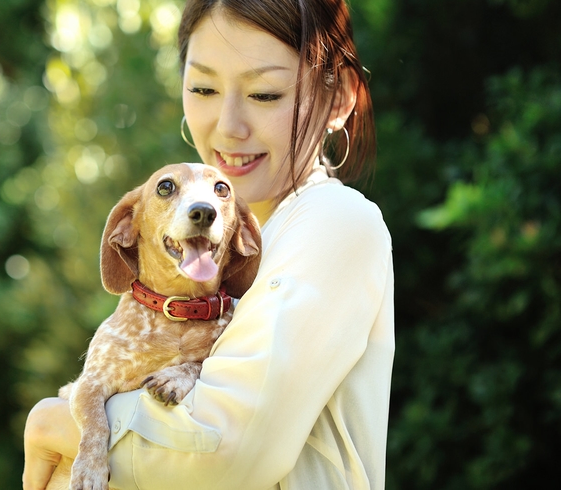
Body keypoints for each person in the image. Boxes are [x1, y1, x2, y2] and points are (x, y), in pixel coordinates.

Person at [23, 0, 394, 488]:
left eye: (264, 93)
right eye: (203, 88)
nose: (228, 126)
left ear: (341, 97)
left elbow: (223, 451)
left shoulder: (334, 221)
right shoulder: (217, 256)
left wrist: (53, 422)